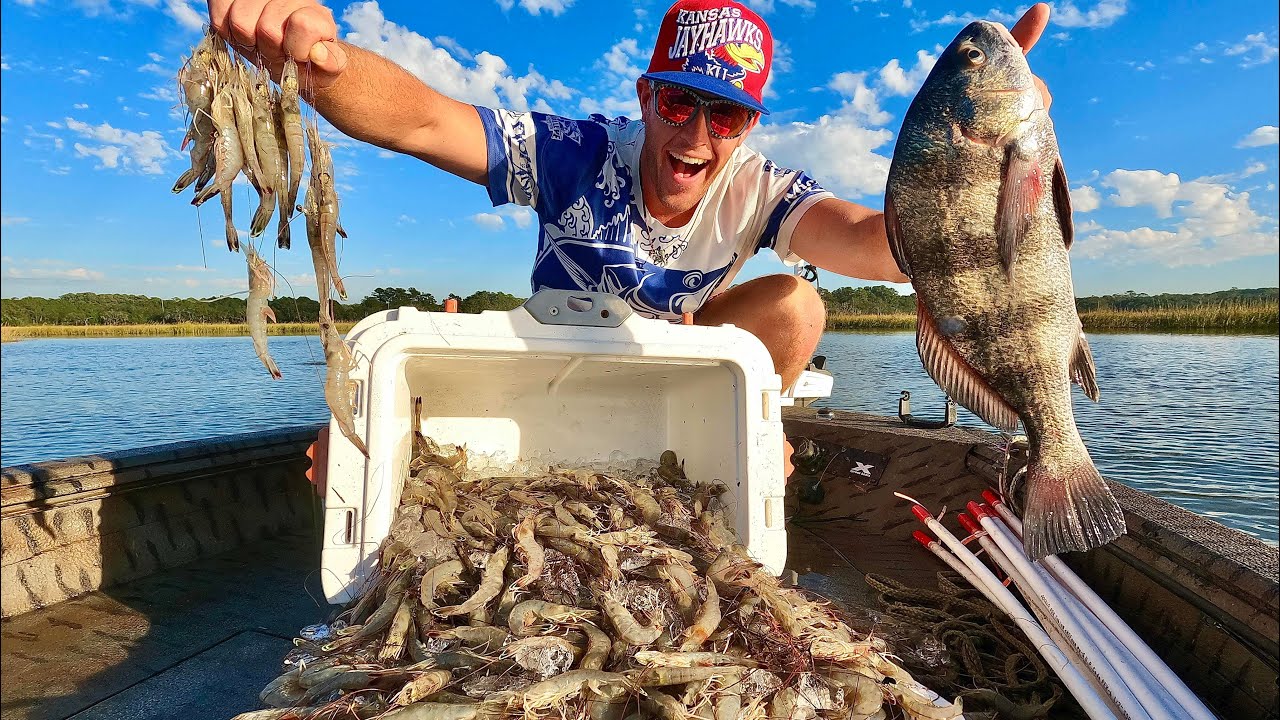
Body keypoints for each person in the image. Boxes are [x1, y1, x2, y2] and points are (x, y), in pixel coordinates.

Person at [208, 0, 1052, 479]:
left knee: (797, 304)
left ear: (748, 125)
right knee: (342, 453)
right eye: (679, 103)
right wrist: (320, 62)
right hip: (554, 358)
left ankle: (755, 432)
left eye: (725, 115)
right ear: (647, 97)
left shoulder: (757, 187)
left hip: (675, 369)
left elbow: (876, 245)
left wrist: (982, 156)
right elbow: (426, 121)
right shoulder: (572, 152)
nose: (697, 134)